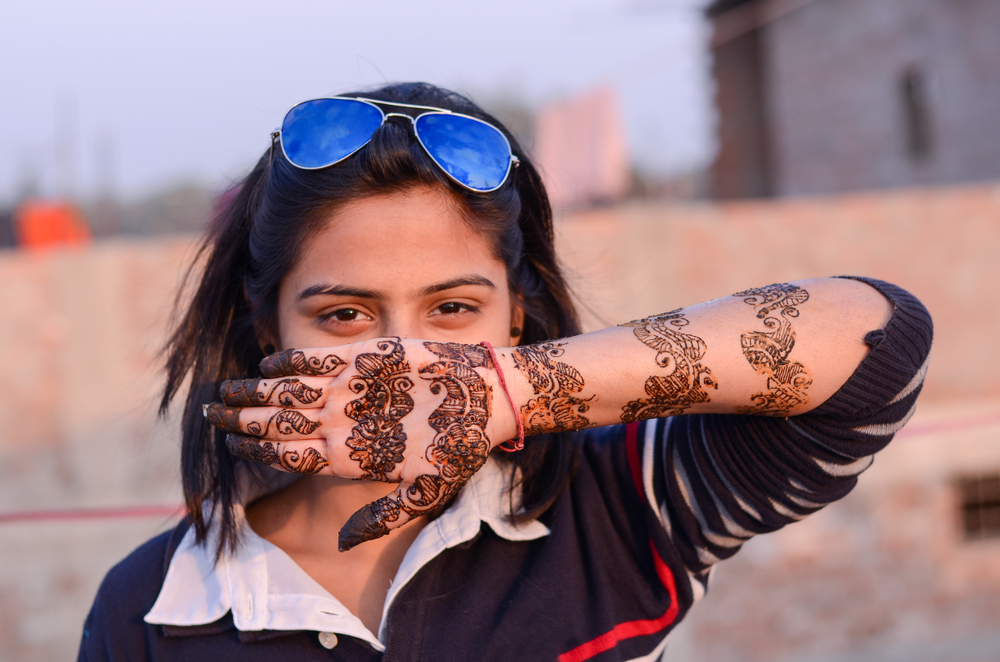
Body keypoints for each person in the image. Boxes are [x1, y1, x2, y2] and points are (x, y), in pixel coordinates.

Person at [78, 82, 933, 662]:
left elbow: (878, 341)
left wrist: (500, 391)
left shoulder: (624, 501)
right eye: (345, 315)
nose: (404, 363)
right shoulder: (154, 610)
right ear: (268, 327)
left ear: (516, 314)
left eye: (452, 310)